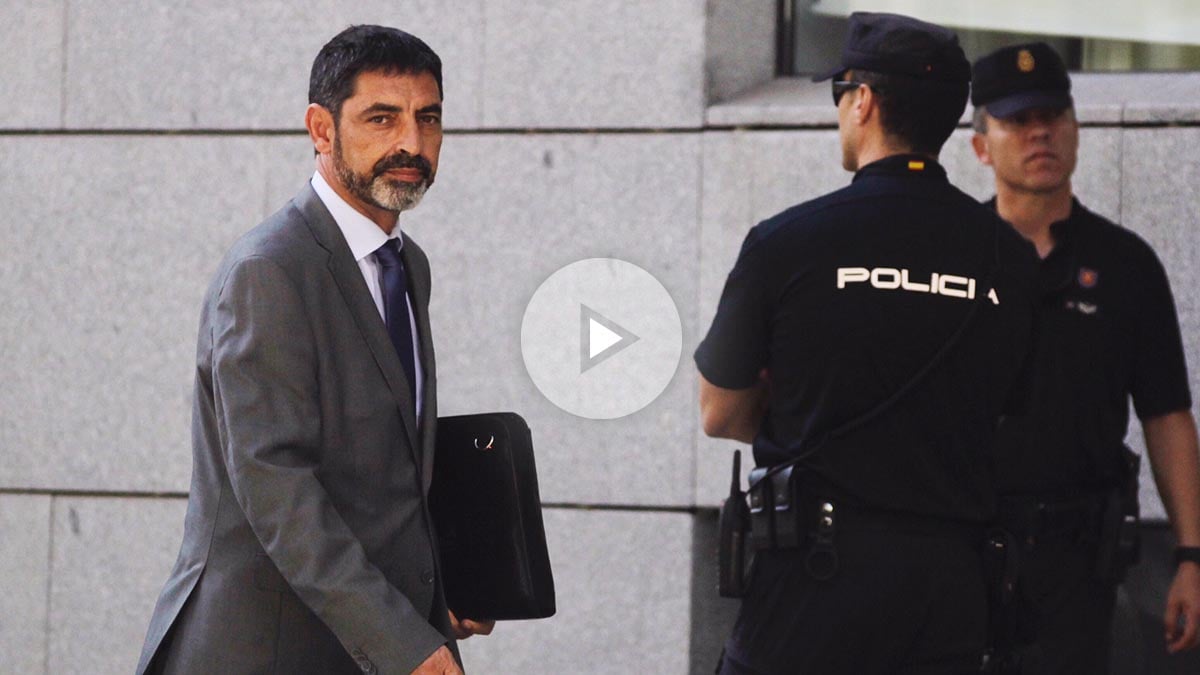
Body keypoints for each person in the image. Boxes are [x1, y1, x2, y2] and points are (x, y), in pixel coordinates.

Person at [135, 25, 493, 675]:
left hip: (356, 643)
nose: (411, 142)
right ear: (321, 130)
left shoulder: (408, 265)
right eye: (381, 118)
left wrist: (440, 588)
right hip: (259, 650)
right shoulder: (269, 270)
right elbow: (278, 489)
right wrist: (401, 641)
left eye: (428, 117)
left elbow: (381, 476)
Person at [696, 12, 1040, 675]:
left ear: (864, 101)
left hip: (811, 589)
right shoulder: (1012, 261)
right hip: (951, 594)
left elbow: (719, 412)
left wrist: (798, 401)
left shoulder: (787, 242)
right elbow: (1007, 411)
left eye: (840, 94)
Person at [970, 41, 1200, 672]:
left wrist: (1190, 557)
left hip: (1081, 566)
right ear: (981, 146)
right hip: (963, 554)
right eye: (1017, 120)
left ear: (1075, 129)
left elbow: (1167, 414)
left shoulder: (1126, 264)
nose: (1040, 132)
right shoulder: (955, 257)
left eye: (1053, 115)